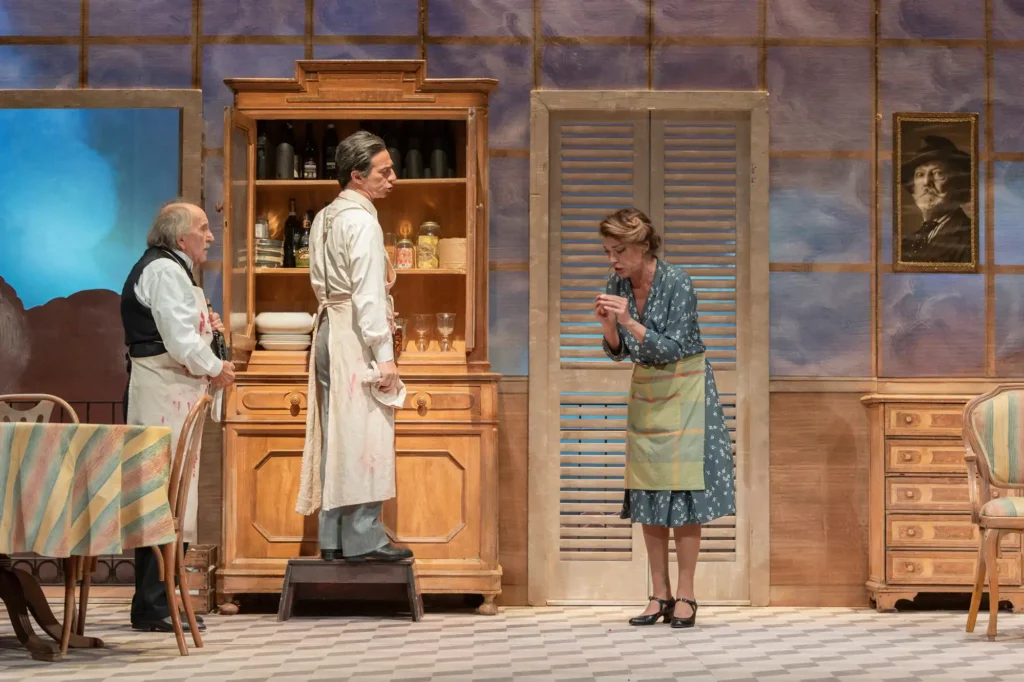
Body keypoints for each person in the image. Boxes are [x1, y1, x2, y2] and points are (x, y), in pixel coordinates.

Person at [594, 208, 736, 629]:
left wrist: (628, 320)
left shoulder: (678, 281)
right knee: (649, 492)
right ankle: (659, 595)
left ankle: (687, 595)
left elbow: (673, 346)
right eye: (608, 251)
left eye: (620, 251)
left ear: (643, 246)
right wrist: (610, 327)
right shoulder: (617, 283)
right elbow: (619, 352)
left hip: (686, 388)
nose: (613, 260)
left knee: (684, 494)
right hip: (648, 391)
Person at [295, 131, 413, 564]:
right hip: (353, 333)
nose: (393, 178)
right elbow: (367, 294)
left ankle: (333, 537)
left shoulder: (326, 216)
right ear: (356, 175)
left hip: (330, 328)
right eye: (384, 171)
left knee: (336, 432)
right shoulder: (361, 222)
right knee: (364, 431)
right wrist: (385, 357)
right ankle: (363, 537)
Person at [120, 199, 235, 632]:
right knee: (160, 494)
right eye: (203, 228)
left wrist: (210, 331)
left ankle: (166, 598)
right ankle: (153, 605)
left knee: (176, 498)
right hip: (161, 393)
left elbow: (186, 331)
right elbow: (179, 339)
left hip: (177, 392)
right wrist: (215, 366)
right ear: (181, 236)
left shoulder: (176, 270)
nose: (210, 235)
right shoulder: (165, 271)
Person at [900, 135, 973, 264]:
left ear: (958, 184)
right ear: (913, 190)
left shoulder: (971, 239)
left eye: (938, 173)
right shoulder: (905, 244)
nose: (926, 182)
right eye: (920, 174)